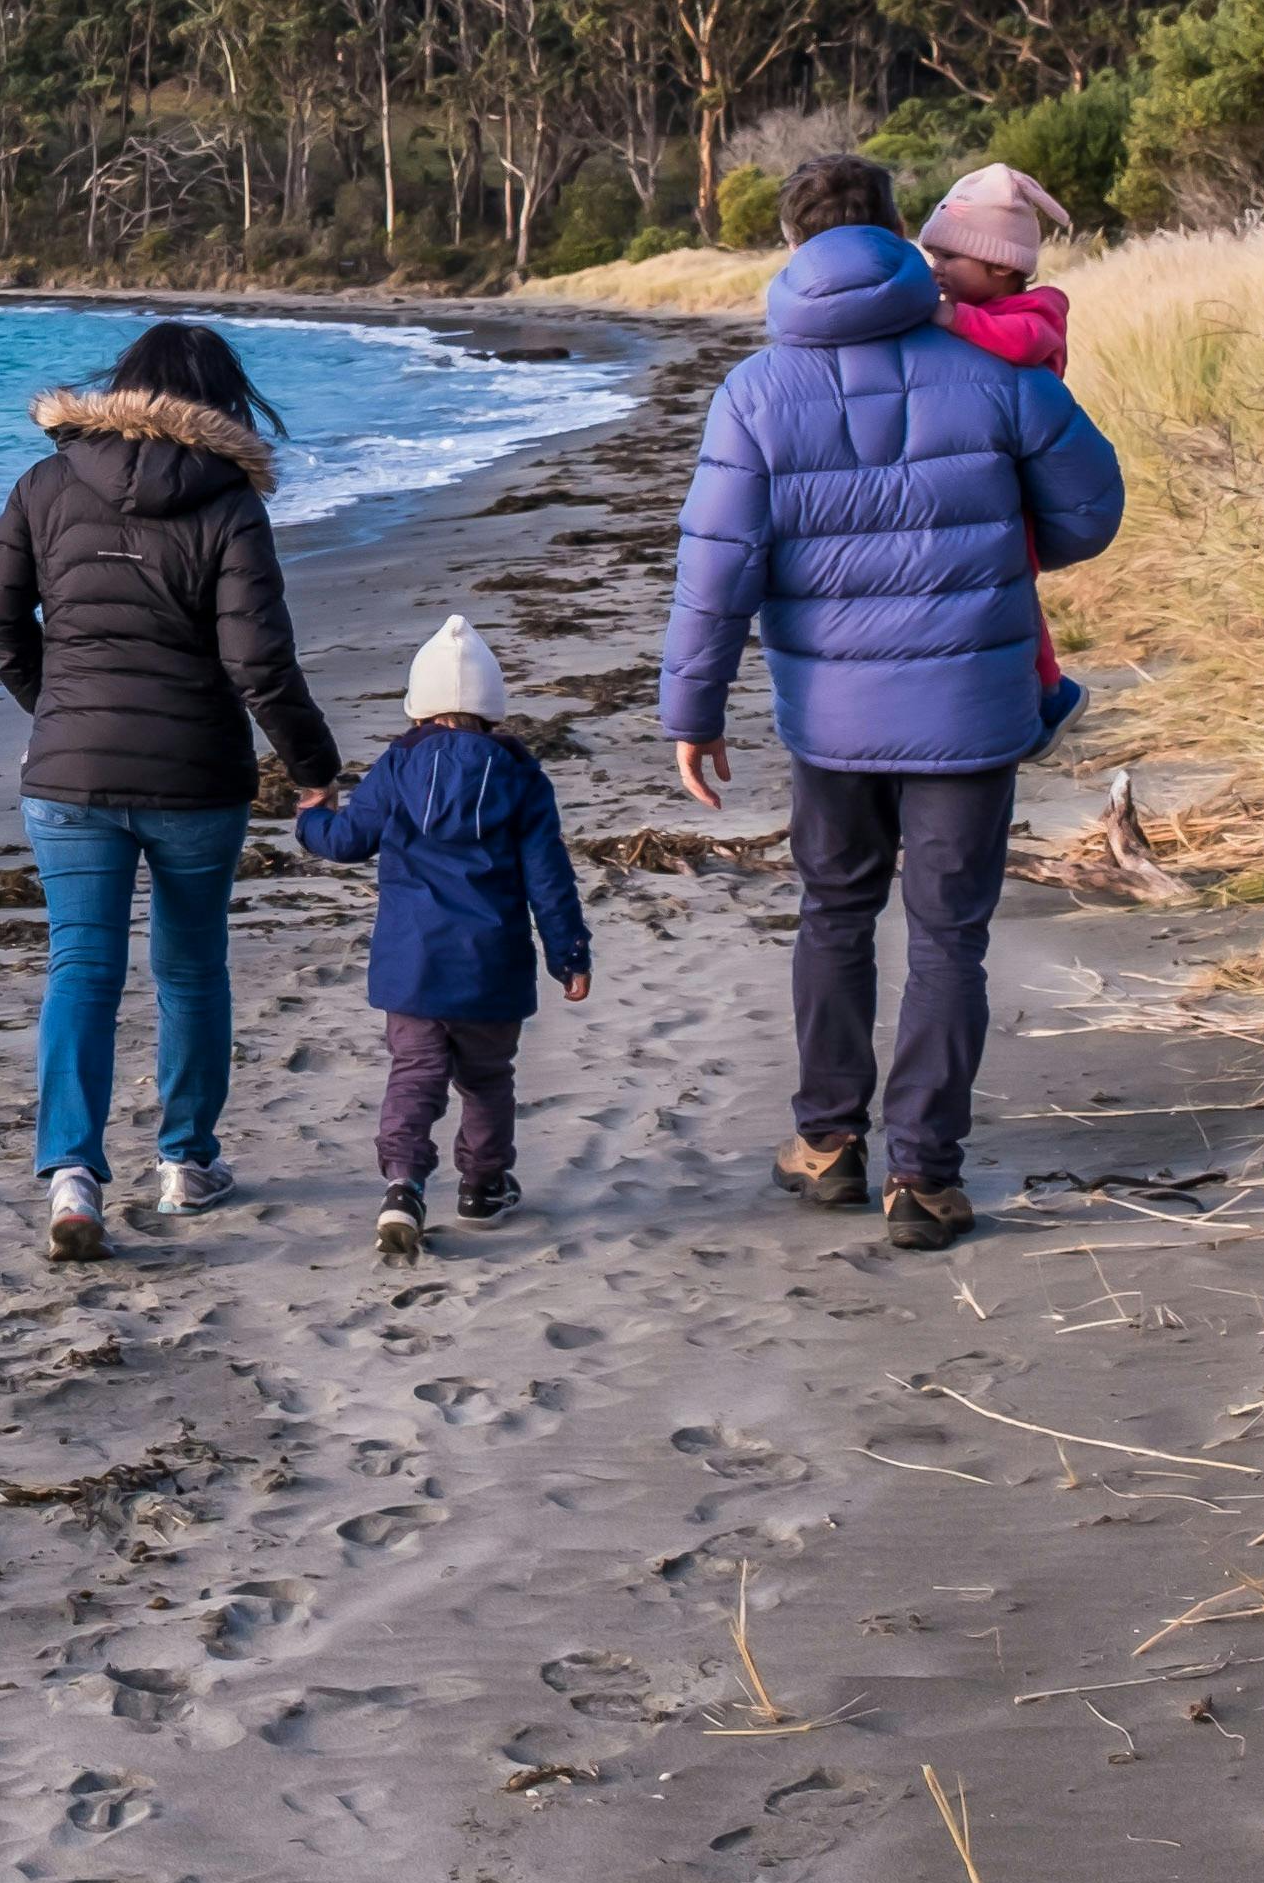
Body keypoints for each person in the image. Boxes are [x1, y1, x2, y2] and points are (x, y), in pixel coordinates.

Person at [665, 160, 1125, 1254]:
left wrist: (693, 707)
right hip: (971, 706)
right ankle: (923, 1176)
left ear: (790, 248)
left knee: (833, 912)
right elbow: (1091, 510)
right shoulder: (987, 367)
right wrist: (998, 556)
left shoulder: (756, 392)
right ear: (903, 239)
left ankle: (827, 1143)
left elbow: (716, 563)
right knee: (947, 937)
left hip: (831, 714)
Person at [0, 317, 343, 1263]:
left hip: (69, 772)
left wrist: (53, 704)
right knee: (189, 967)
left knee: (81, 967)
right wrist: (313, 772)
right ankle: (185, 1162)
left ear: (123, 384)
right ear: (221, 401)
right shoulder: (229, 503)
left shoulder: (46, 484)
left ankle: (71, 1175)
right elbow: (260, 662)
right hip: (196, 775)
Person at [294, 613, 591, 1263]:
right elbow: (549, 879)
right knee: (487, 1080)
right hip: (492, 968)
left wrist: (312, 818)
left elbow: (347, 841)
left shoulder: (398, 766)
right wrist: (568, 954)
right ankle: (484, 1186)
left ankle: (403, 1184)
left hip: (414, 967)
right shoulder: (521, 778)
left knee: (416, 1073)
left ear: (419, 706)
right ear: (492, 707)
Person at [916, 160, 1088, 753]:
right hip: (985, 482)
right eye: (932, 256)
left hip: (1022, 487)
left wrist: (950, 318)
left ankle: (1049, 694)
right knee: (1003, 591)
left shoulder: (1036, 315)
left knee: (1012, 590)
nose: (936, 269)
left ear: (1000, 264)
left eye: (949, 259)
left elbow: (1018, 347)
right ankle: (1031, 690)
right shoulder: (973, 313)